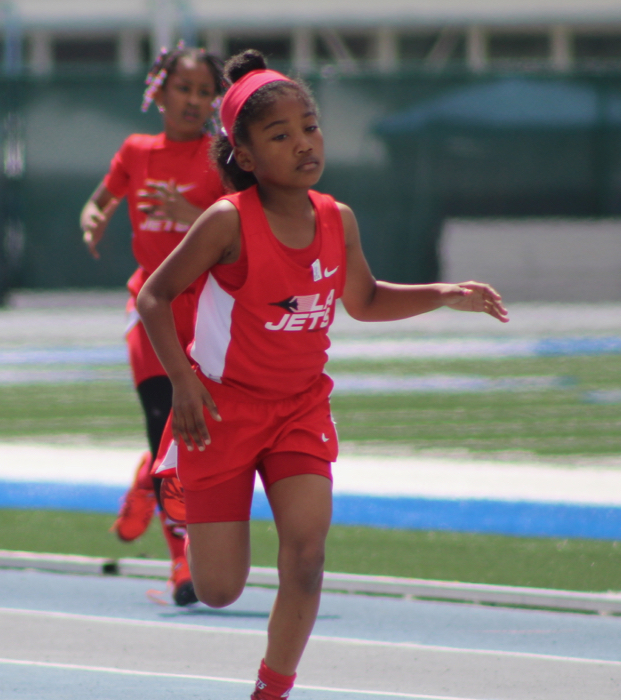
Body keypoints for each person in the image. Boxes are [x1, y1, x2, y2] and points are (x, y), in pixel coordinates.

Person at [137, 49, 508, 700]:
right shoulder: (228, 221)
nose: (304, 143)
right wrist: (184, 384)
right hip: (221, 411)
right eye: (280, 135)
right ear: (245, 155)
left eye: (309, 127)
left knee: (307, 558)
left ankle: (271, 691)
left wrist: (445, 293)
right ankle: (172, 474)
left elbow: (363, 300)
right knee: (219, 589)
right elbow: (154, 297)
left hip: (299, 409)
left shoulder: (338, 219)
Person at [79, 44, 227, 606]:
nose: (193, 100)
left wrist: (191, 217)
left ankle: (147, 477)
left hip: (206, 313)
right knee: (165, 422)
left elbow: (244, 227)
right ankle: (181, 564)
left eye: (204, 92)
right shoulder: (136, 151)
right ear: (159, 92)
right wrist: (93, 219)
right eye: (183, 88)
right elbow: (98, 201)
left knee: (202, 433)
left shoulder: (221, 158)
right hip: (149, 307)